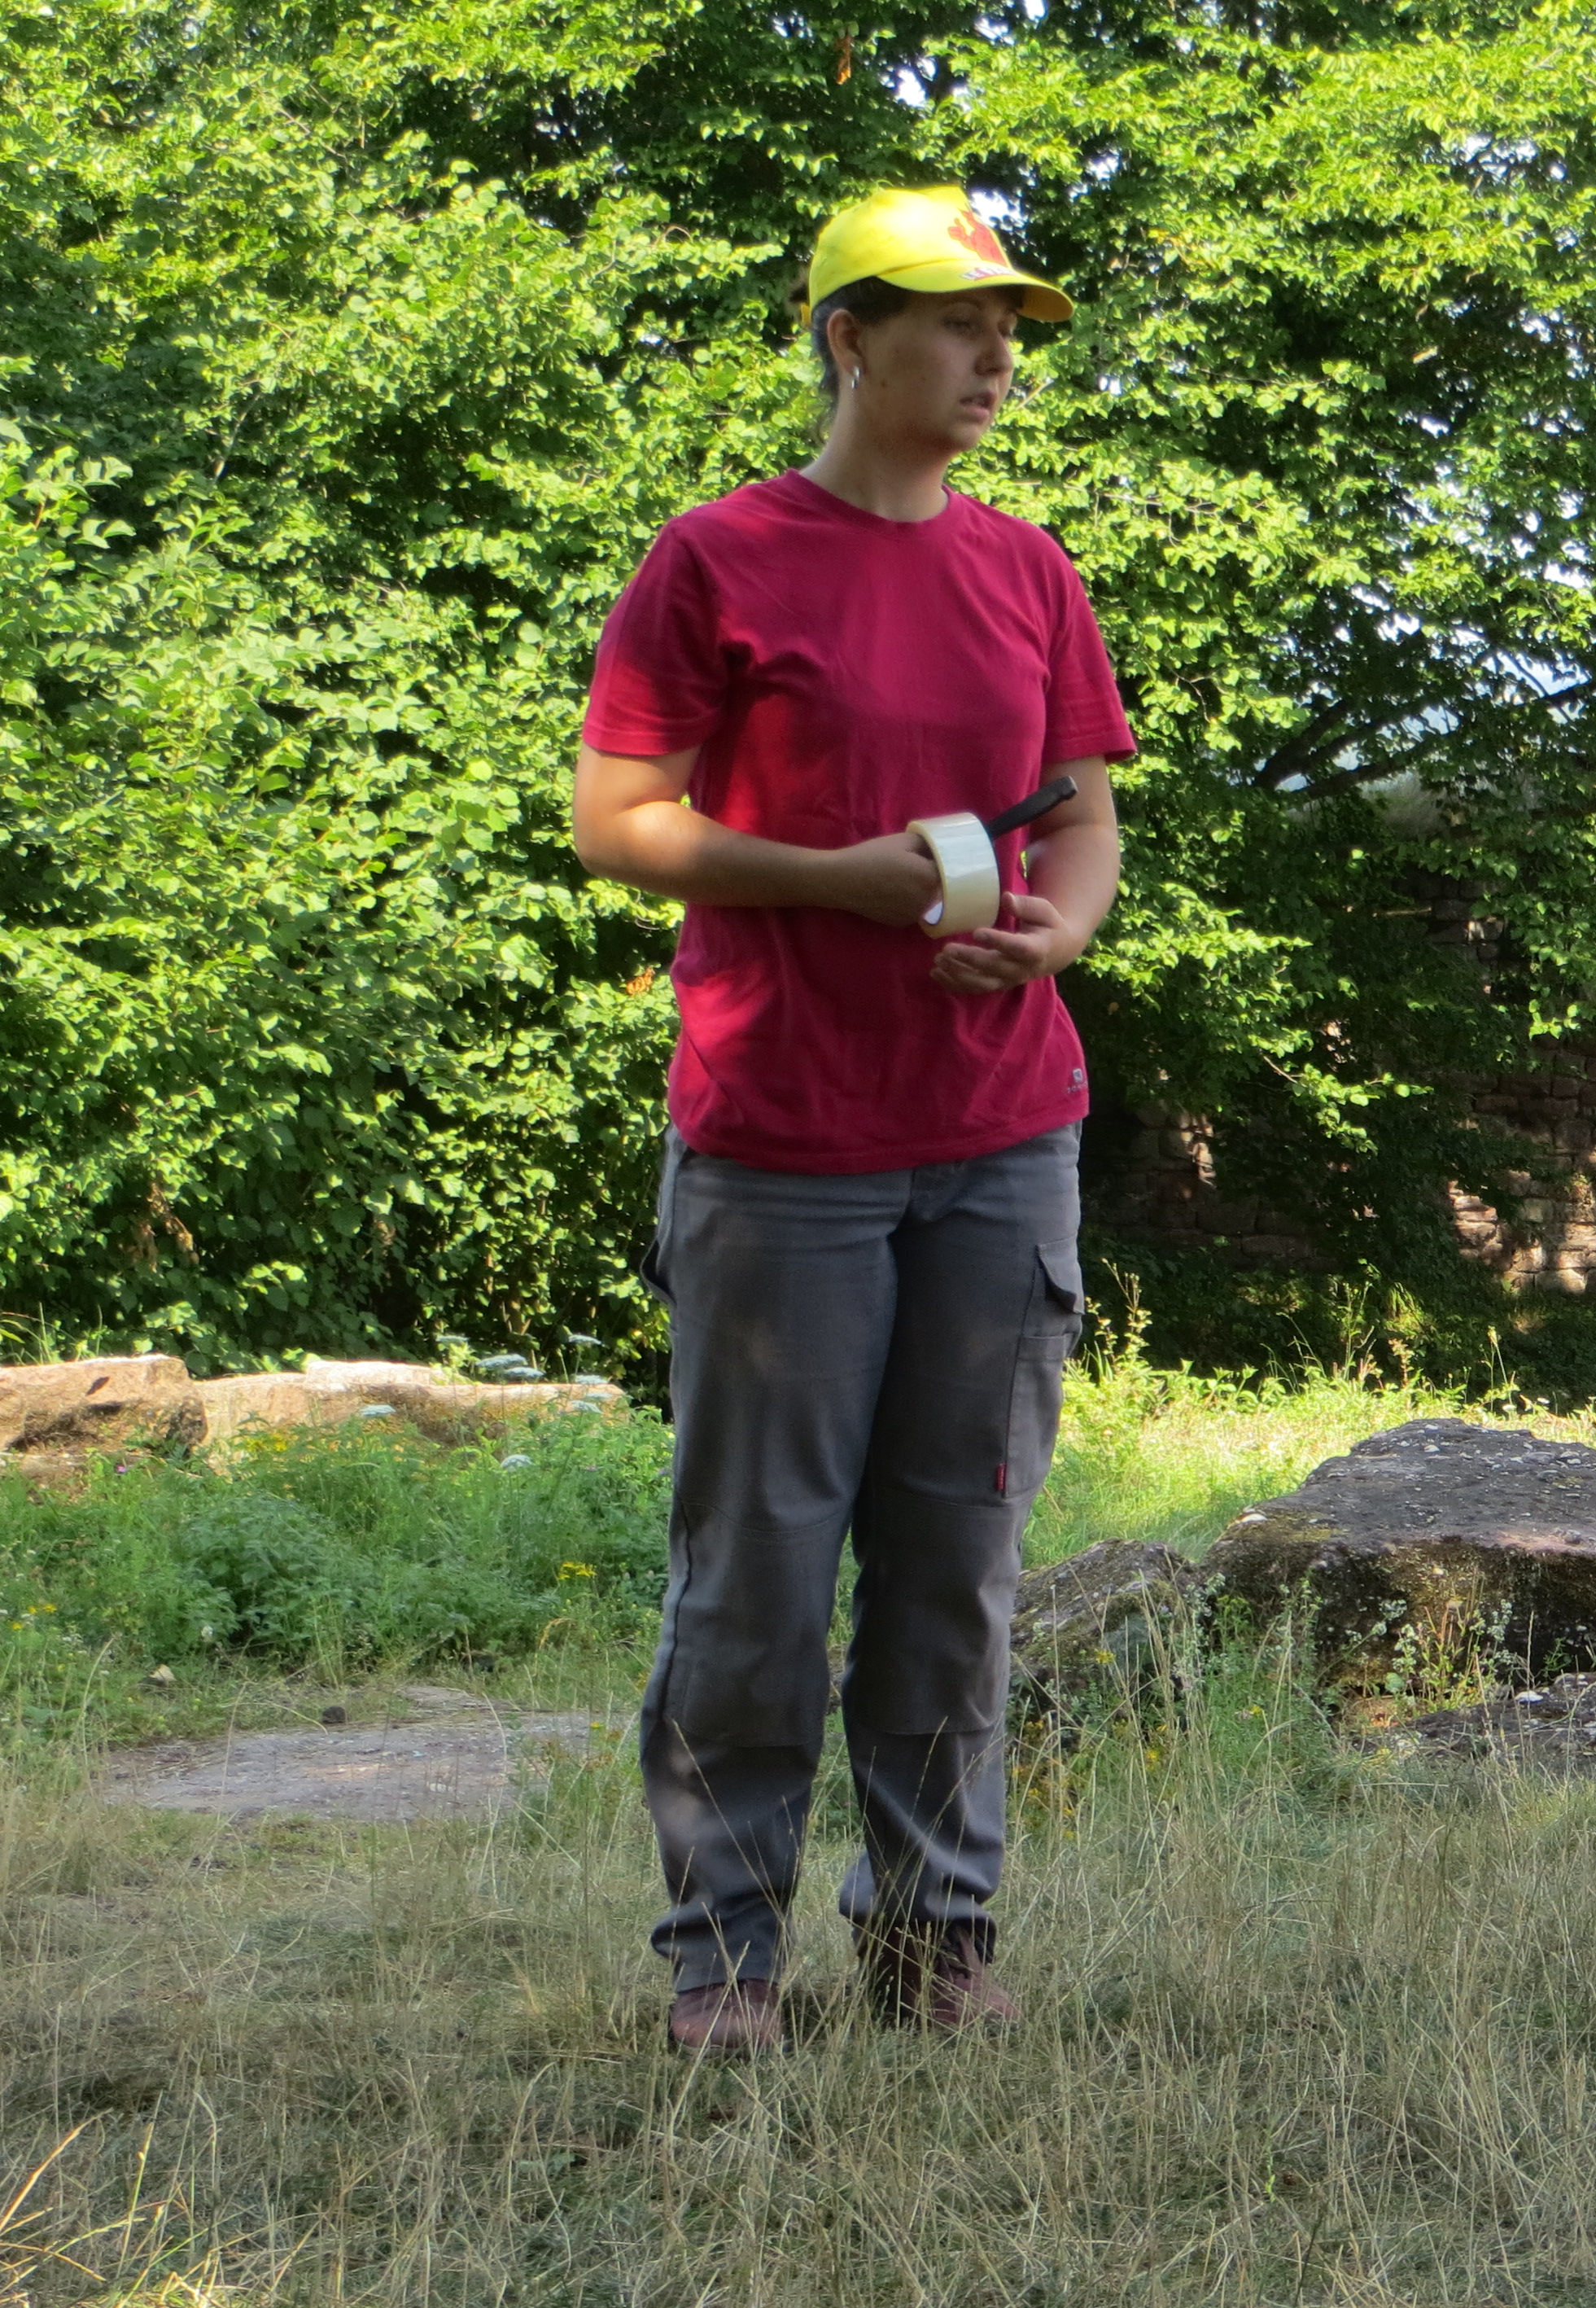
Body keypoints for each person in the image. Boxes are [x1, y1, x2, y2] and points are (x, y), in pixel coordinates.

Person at [571, 186, 1135, 2054]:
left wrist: (1054, 930)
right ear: (846, 335)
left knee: (956, 1565)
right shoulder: (716, 558)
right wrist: (837, 880)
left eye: (1011, 331)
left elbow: (1078, 816)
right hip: (781, 1145)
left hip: (999, 1135)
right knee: (758, 1565)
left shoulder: (1027, 571)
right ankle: (723, 1961)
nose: (994, 359)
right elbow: (617, 822)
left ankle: (929, 1939)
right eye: (959, 322)